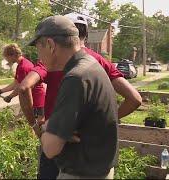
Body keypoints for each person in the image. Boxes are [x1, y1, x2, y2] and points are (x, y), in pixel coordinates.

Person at [17, 13, 142, 179]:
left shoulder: (75, 78)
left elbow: (50, 148)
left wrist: (46, 126)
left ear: (50, 44)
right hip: (98, 168)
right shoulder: (93, 64)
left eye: (38, 48)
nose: (38, 56)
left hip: (80, 172)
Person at [0, 43, 46, 133]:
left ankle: (42, 143)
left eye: (6, 57)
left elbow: (22, 87)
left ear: (12, 55)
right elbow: (15, 83)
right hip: (33, 99)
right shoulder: (21, 64)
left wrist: (10, 96)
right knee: (35, 125)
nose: (6, 59)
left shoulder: (23, 67)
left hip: (37, 100)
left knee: (39, 125)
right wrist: (1, 91)